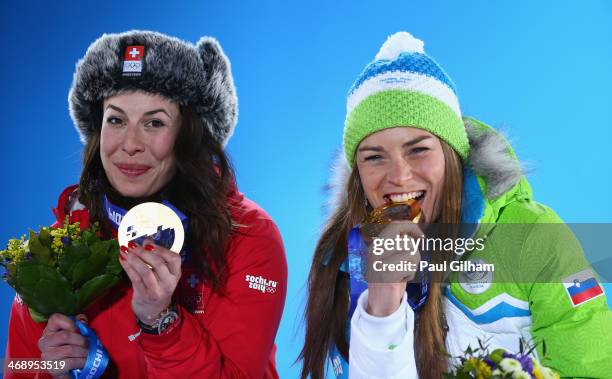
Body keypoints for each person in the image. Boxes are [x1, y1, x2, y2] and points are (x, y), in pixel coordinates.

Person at [299, 31, 612, 378]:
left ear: (453, 155)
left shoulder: (532, 236)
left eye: (418, 149)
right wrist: (382, 309)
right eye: (375, 157)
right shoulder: (347, 261)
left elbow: (592, 367)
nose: (399, 177)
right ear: (357, 173)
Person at [5, 30, 287, 378]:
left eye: (154, 122)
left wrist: (161, 322)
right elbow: (20, 366)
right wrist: (53, 373)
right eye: (116, 119)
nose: (130, 144)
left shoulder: (247, 238)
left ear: (190, 135)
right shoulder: (55, 250)